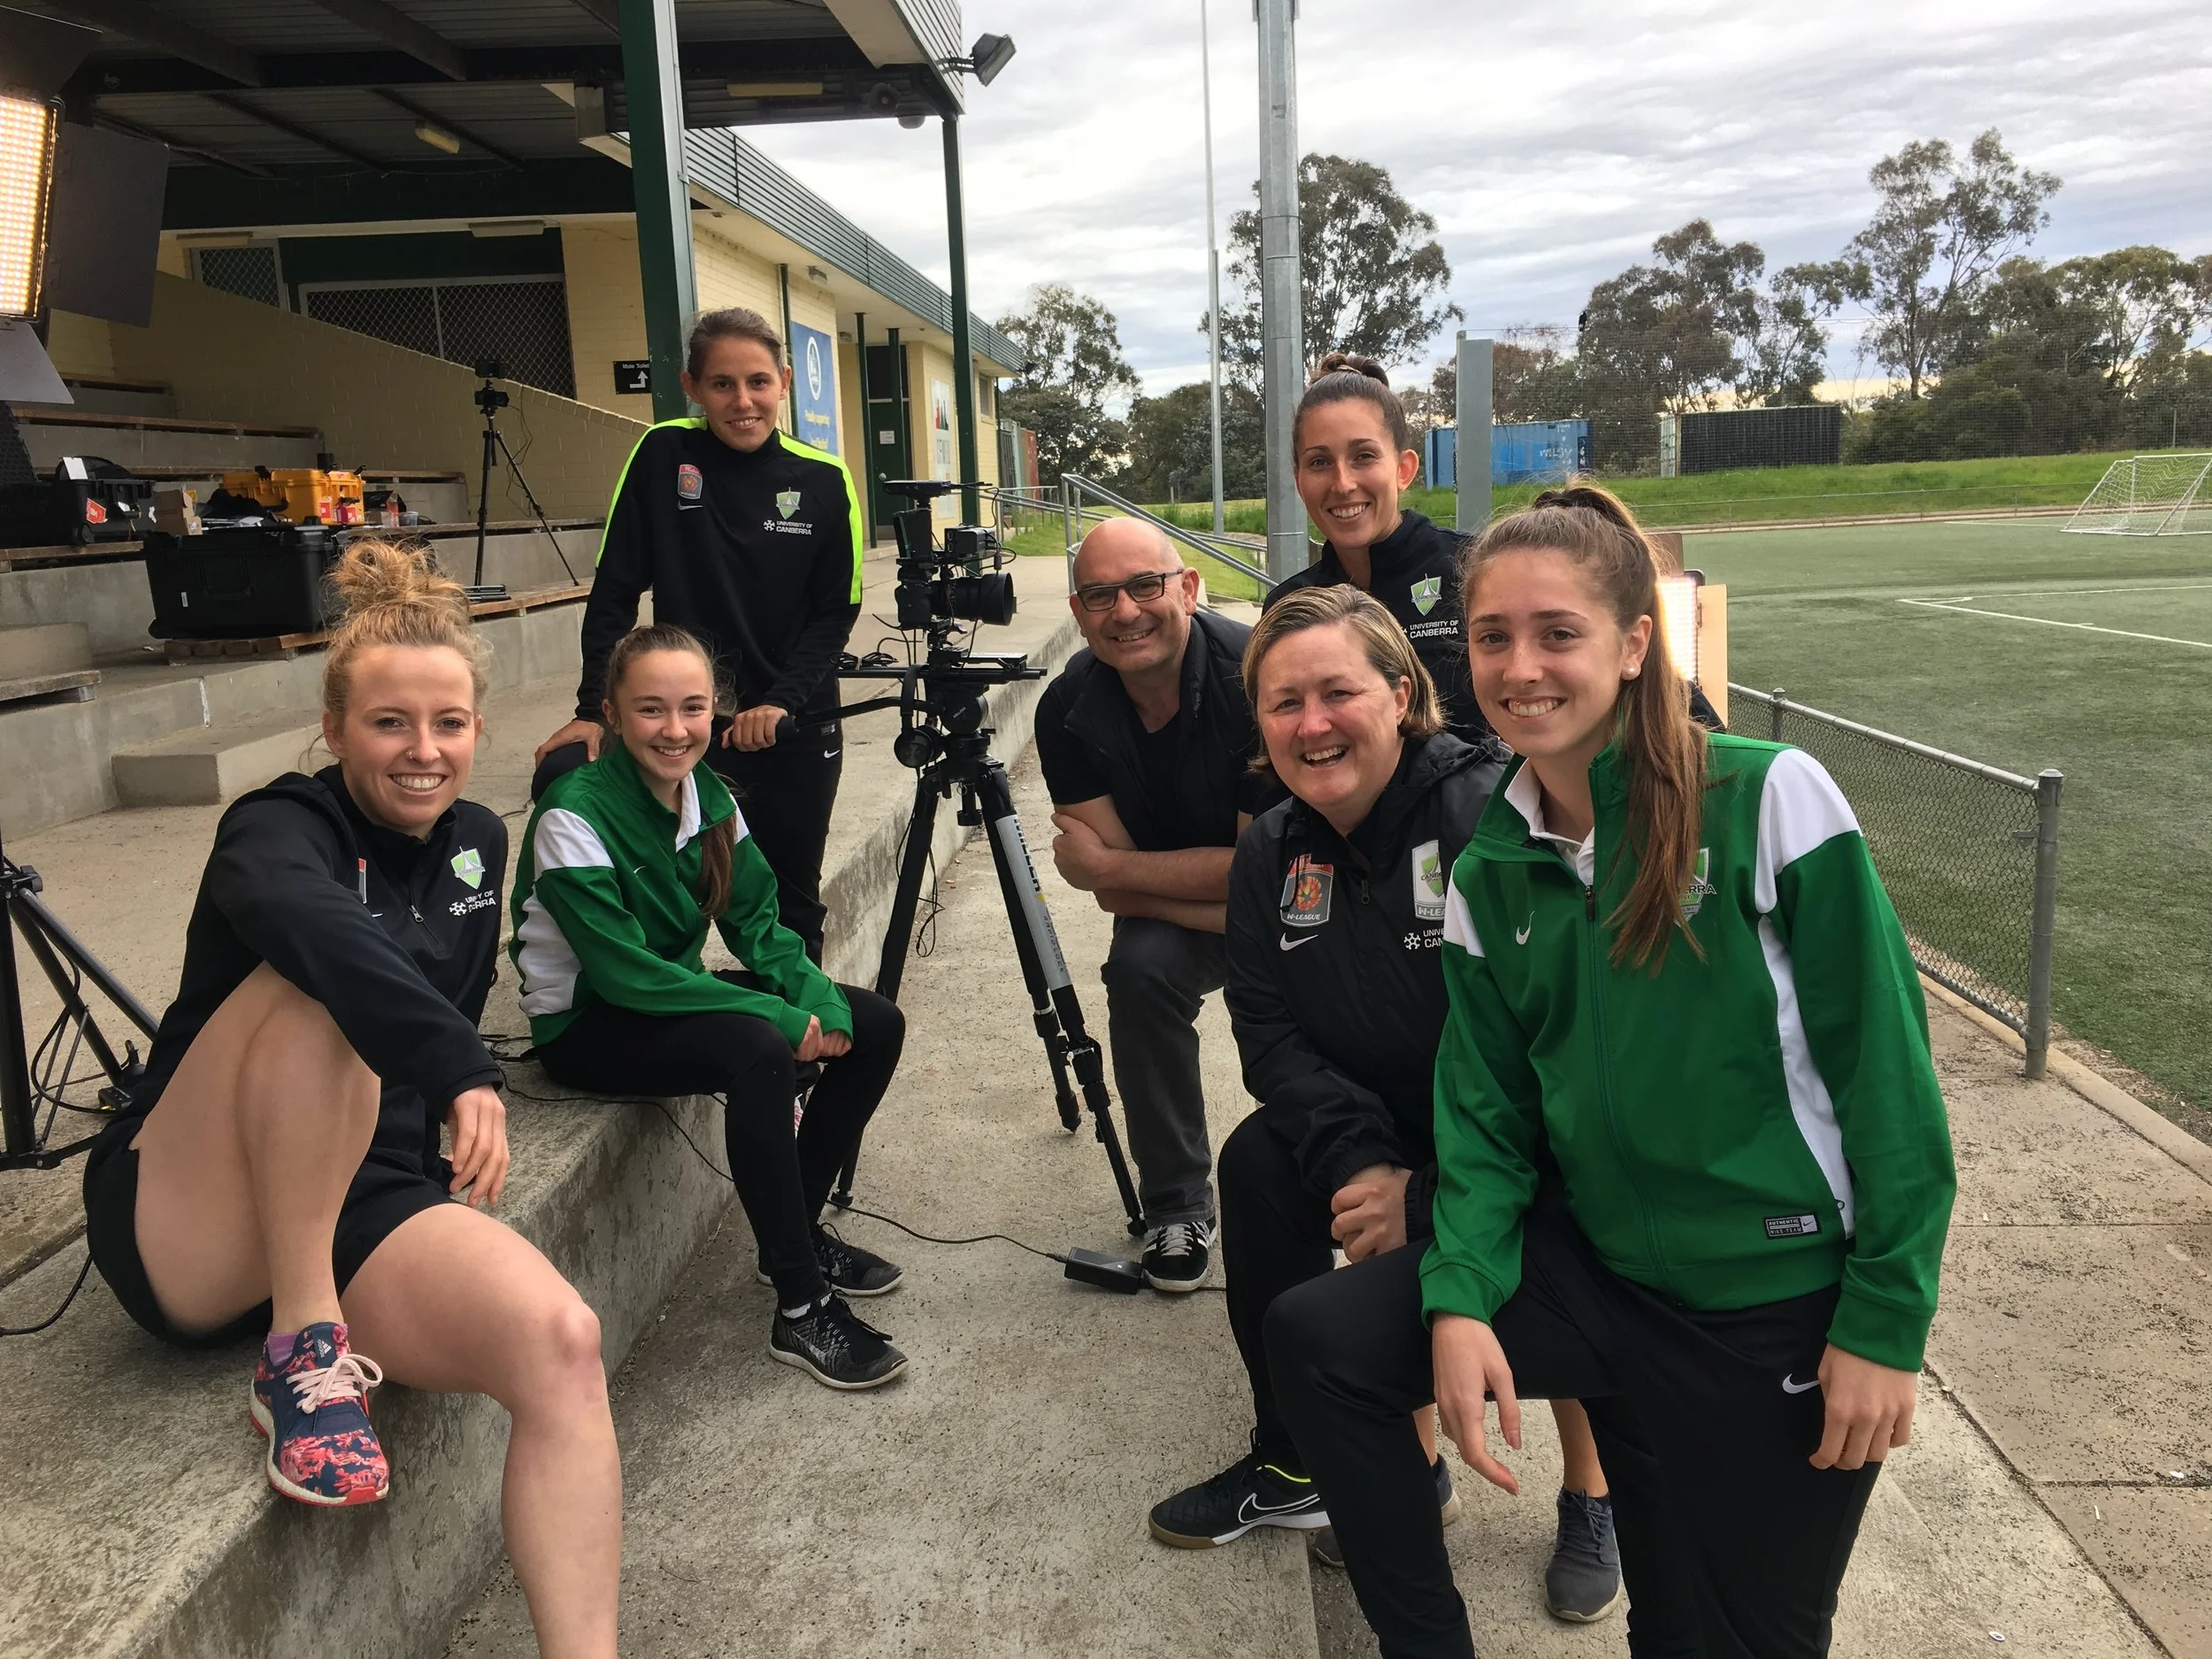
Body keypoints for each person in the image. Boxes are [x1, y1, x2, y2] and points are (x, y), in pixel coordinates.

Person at [1264, 484, 1957, 1659]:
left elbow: (1887, 1082)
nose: (1521, 665)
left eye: (1558, 632)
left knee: (1711, 1635)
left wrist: (1886, 1322)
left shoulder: (1768, 797)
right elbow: (1481, 1114)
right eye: (1493, 635)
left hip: (1768, 1308)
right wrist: (1462, 1291)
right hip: (1600, 1277)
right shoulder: (1491, 864)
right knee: (1324, 1339)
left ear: (1636, 645)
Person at [80, 542, 621, 1655]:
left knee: (562, 1340)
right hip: (192, 1215)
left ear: (477, 730)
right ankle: (300, 1355)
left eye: (451, 725)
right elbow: (329, 940)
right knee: (324, 984)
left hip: (360, 1197)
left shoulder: (478, 837)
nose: (424, 753)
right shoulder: (277, 829)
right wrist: (464, 1067)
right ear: (334, 730)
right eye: (389, 724)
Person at [512, 623, 910, 1391]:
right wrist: (784, 1021)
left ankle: (793, 1228)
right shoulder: (574, 813)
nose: (675, 728)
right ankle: (800, 1305)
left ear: (716, 712)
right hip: (587, 1023)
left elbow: (762, 926)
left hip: (665, 997)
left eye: (693, 707)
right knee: (758, 1046)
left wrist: (819, 1002)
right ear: (614, 714)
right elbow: (627, 975)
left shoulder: (714, 798)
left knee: (876, 1024)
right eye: (651, 709)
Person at [533, 307, 865, 963]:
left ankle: (802, 1045)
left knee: (789, 902)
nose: (742, 402)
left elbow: (835, 612)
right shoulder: (664, 455)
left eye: (758, 382)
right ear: (692, 384)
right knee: (658, 891)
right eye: (722, 384)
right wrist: (591, 710)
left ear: (786, 382)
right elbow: (616, 590)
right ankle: (659, 1025)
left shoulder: (824, 481)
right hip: (684, 723)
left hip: (792, 727)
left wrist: (781, 703)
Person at [1035, 517, 1279, 1291]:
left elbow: (1260, 870)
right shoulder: (1066, 707)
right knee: (1138, 966)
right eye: (1101, 594)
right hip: (1205, 916)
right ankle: (1177, 1203)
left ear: (1189, 587)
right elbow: (1103, 885)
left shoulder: (1257, 676)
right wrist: (1130, 875)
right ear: (1078, 612)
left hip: (1309, 902)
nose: (1127, 610)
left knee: (1305, 980)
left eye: (1146, 585)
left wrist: (1125, 869)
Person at [1270, 354, 1721, 741]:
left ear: (1405, 468)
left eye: (1364, 456)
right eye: (1320, 462)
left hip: (1503, 833)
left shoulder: (1479, 571)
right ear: (1298, 480)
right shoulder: (1290, 607)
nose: (1343, 483)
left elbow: (1679, 715)